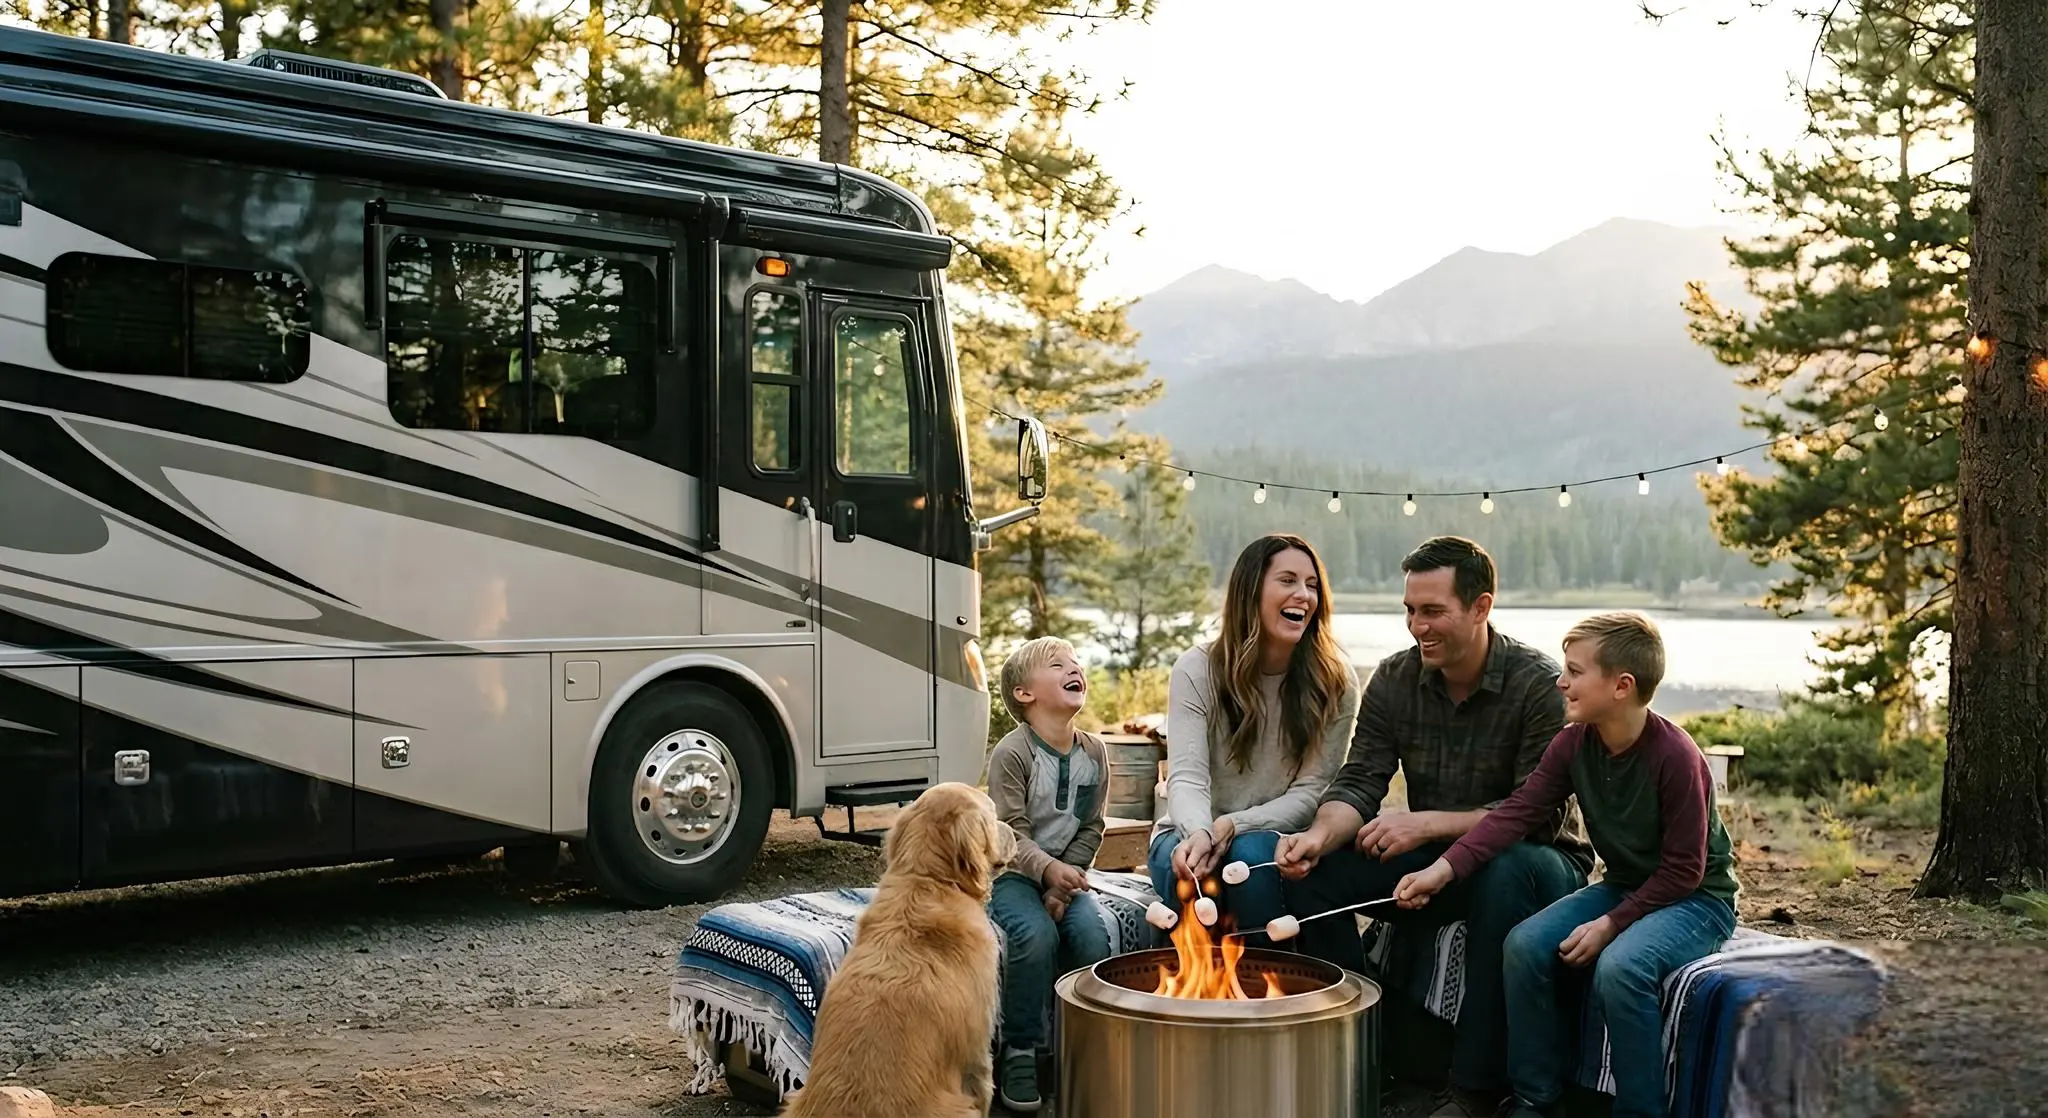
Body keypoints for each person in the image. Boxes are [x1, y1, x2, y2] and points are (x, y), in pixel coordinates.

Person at [1274, 536, 1593, 1117]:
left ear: (1481, 607)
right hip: (1433, 864)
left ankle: (1473, 1090)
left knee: (1505, 868)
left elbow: (1536, 814)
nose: (1417, 626)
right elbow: (1361, 779)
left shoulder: (1538, 686)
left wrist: (1426, 825)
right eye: (1410, 610)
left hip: (1536, 864)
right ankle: (1360, 1055)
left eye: (1432, 611)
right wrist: (1318, 836)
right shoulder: (1395, 678)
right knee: (1315, 873)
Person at [1394, 612, 1740, 1118]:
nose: (1561, 681)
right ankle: (1537, 1100)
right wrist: (1442, 870)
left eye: (1575, 672)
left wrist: (1610, 924)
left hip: (1698, 900)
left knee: (1621, 967)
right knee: (1524, 945)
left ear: (1621, 686)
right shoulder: (1573, 743)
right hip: (1626, 885)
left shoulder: (1675, 756)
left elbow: (1685, 871)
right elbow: (1516, 813)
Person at [1151, 533, 1360, 935]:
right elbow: (1187, 777)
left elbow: (1312, 790)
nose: (1304, 595)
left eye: (1312, 585)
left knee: (1249, 862)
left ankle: (1265, 972)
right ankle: (1188, 976)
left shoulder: (1334, 681)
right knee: (1183, 870)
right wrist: (1200, 832)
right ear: (1251, 591)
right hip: (1190, 828)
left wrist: (1234, 824)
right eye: (1287, 580)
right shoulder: (1197, 669)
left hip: (1277, 835)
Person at [984, 635, 1114, 1113]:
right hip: (1013, 874)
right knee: (1035, 936)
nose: (1074, 668)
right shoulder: (1013, 753)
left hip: (1068, 875)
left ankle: (1080, 1046)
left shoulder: (1094, 752)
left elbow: (1092, 826)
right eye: (1057, 665)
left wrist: (1067, 879)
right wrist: (1047, 873)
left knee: (1091, 937)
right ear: (1025, 694)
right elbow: (1009, 833)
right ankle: (1020, 1050)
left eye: (1075, 662)